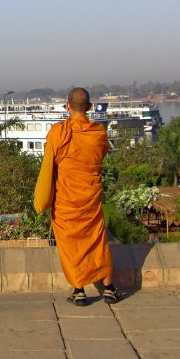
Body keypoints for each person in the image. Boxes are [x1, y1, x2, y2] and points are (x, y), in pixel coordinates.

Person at [39, 87, 117, 305]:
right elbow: (99, 156)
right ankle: (109, 288)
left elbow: (50, 156)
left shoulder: (57, 132)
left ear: (68, 106)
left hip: (66, 199)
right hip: (90, 196)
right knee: (98, 240)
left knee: (71, 244)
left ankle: (79, 290)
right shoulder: (98, 133)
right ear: (90, 107)